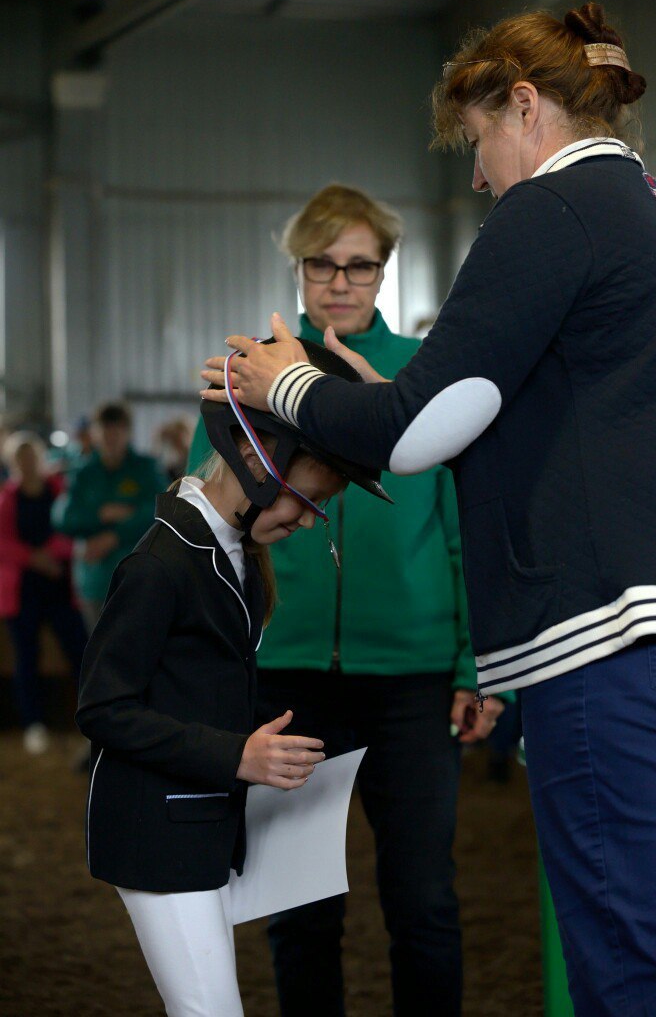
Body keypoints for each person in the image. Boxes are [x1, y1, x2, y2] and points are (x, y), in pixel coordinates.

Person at [202, 3, 656, 1016]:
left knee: (635, 975)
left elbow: (419, 426)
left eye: (479, 142)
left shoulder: (553, 209)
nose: (478, 177)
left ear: (524, 107)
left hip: (613, 649)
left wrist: (285, 385)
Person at [189, 183, 505, 1017]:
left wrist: (478, 663)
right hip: (287, 678)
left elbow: (463, 527)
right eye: (321, 263)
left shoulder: (422, 374)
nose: (339, 280)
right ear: (297, 267)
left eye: (358, 265)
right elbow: (207, 523)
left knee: (423, 901)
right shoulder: (243, 373)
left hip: (413, 676)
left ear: (382, 271)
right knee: (297, 909)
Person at [76, 342, 386, 1017]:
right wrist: (235, 755)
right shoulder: (160, 565)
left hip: (201, 827)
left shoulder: (234, 554)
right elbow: (102, 708)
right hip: (156, 837)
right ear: (256, 459)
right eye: (307, 499)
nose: (307, 519)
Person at [0, 432, 88, 754]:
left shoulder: (58, 490)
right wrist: (34, 558)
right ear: (12, 463)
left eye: (30, 455)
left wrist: (51, 553)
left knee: (79, 651)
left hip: (60, 586)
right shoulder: (8, 498)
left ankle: (89, 721)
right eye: (19, 457)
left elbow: (70, 527)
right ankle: (33, 724)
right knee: (27, 657)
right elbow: (4, 541)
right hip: (24, 589)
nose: (25, 463)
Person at [52, 401, 167, 633]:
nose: (110, 438)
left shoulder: (146, 469)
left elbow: (159, 512)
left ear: (128, 432)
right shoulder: (83, 472)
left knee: (138, 650)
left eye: (117, 431)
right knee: (99, 653)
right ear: (94, 433)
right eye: (104, 431)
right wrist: (101, 514)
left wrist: (114, 537)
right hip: (94, 579)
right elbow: (64, 518)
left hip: (137, 578)